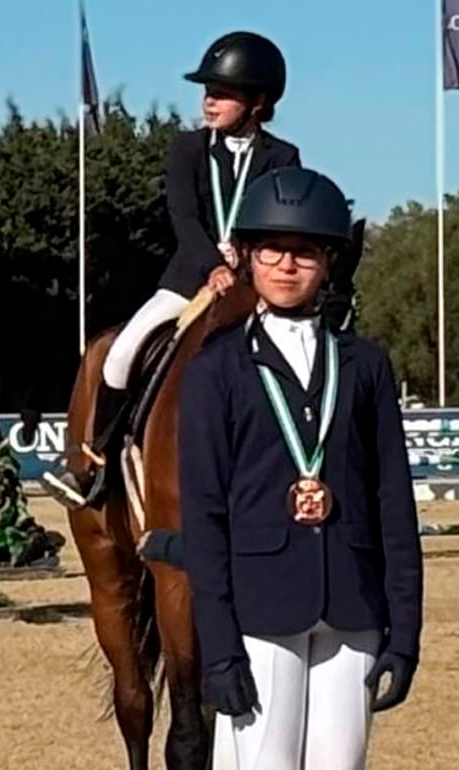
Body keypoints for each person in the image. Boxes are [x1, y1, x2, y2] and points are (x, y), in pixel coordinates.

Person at [179, 166, 421, 770]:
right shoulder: (216, 370)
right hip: (260, 606)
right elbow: (201, 517)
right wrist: (215, 644)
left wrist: (406, 627)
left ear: (330, 262)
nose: (288, 264)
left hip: (349, 604)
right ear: (247, 257)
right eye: (274, 249)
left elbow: (392, 498)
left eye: (306, 251)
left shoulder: (366, 365)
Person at [46, 30, 299, 508]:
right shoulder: (186, 149)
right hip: (190, 281)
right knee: (120, 356)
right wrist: (212, 266)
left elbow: (280, 220)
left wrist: (247, 262)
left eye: (222, 94)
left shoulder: (282, 157)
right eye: (207, 92)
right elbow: (183, 216)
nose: (209, 101)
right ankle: (94, 466)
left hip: (257, 283)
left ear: (257, 101)